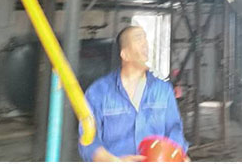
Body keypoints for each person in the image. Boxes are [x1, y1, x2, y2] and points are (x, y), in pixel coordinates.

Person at [79, 26, 188, 162]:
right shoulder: (98, 92)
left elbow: (174, 128)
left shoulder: (163, 90)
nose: (145, 43)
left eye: (145, 38)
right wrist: (114, 161)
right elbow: (88, 140)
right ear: (125, 55)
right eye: (138, 38)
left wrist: (176, 154)